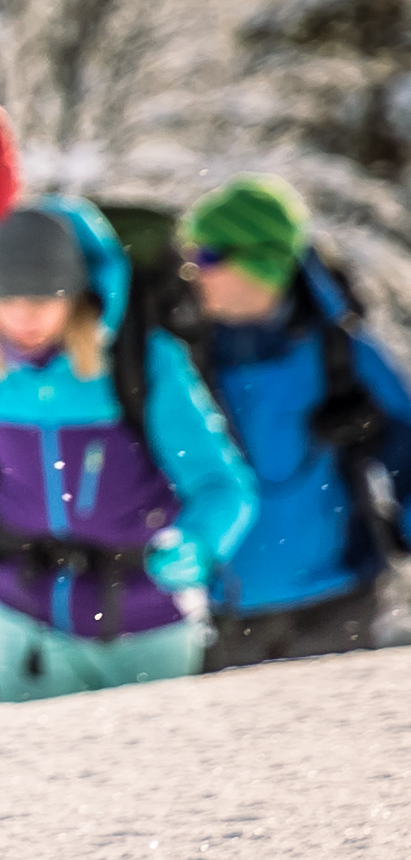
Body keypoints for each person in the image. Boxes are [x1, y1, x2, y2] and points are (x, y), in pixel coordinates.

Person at [0, 199, 261, 701]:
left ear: (76, 293)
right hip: (22, 629)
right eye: (9, 300)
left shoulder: (144, 363)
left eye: (44, 298)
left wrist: (199, 544)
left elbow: (222, 484)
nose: (25, 317)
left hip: (150, 627)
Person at [174, 176, 411, 667]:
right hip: (224, 609)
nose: (194, 272)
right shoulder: (182, 351)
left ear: (262, 261)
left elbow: (406, 443)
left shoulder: (341, 347)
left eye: (210, 257)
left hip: (338, 599)